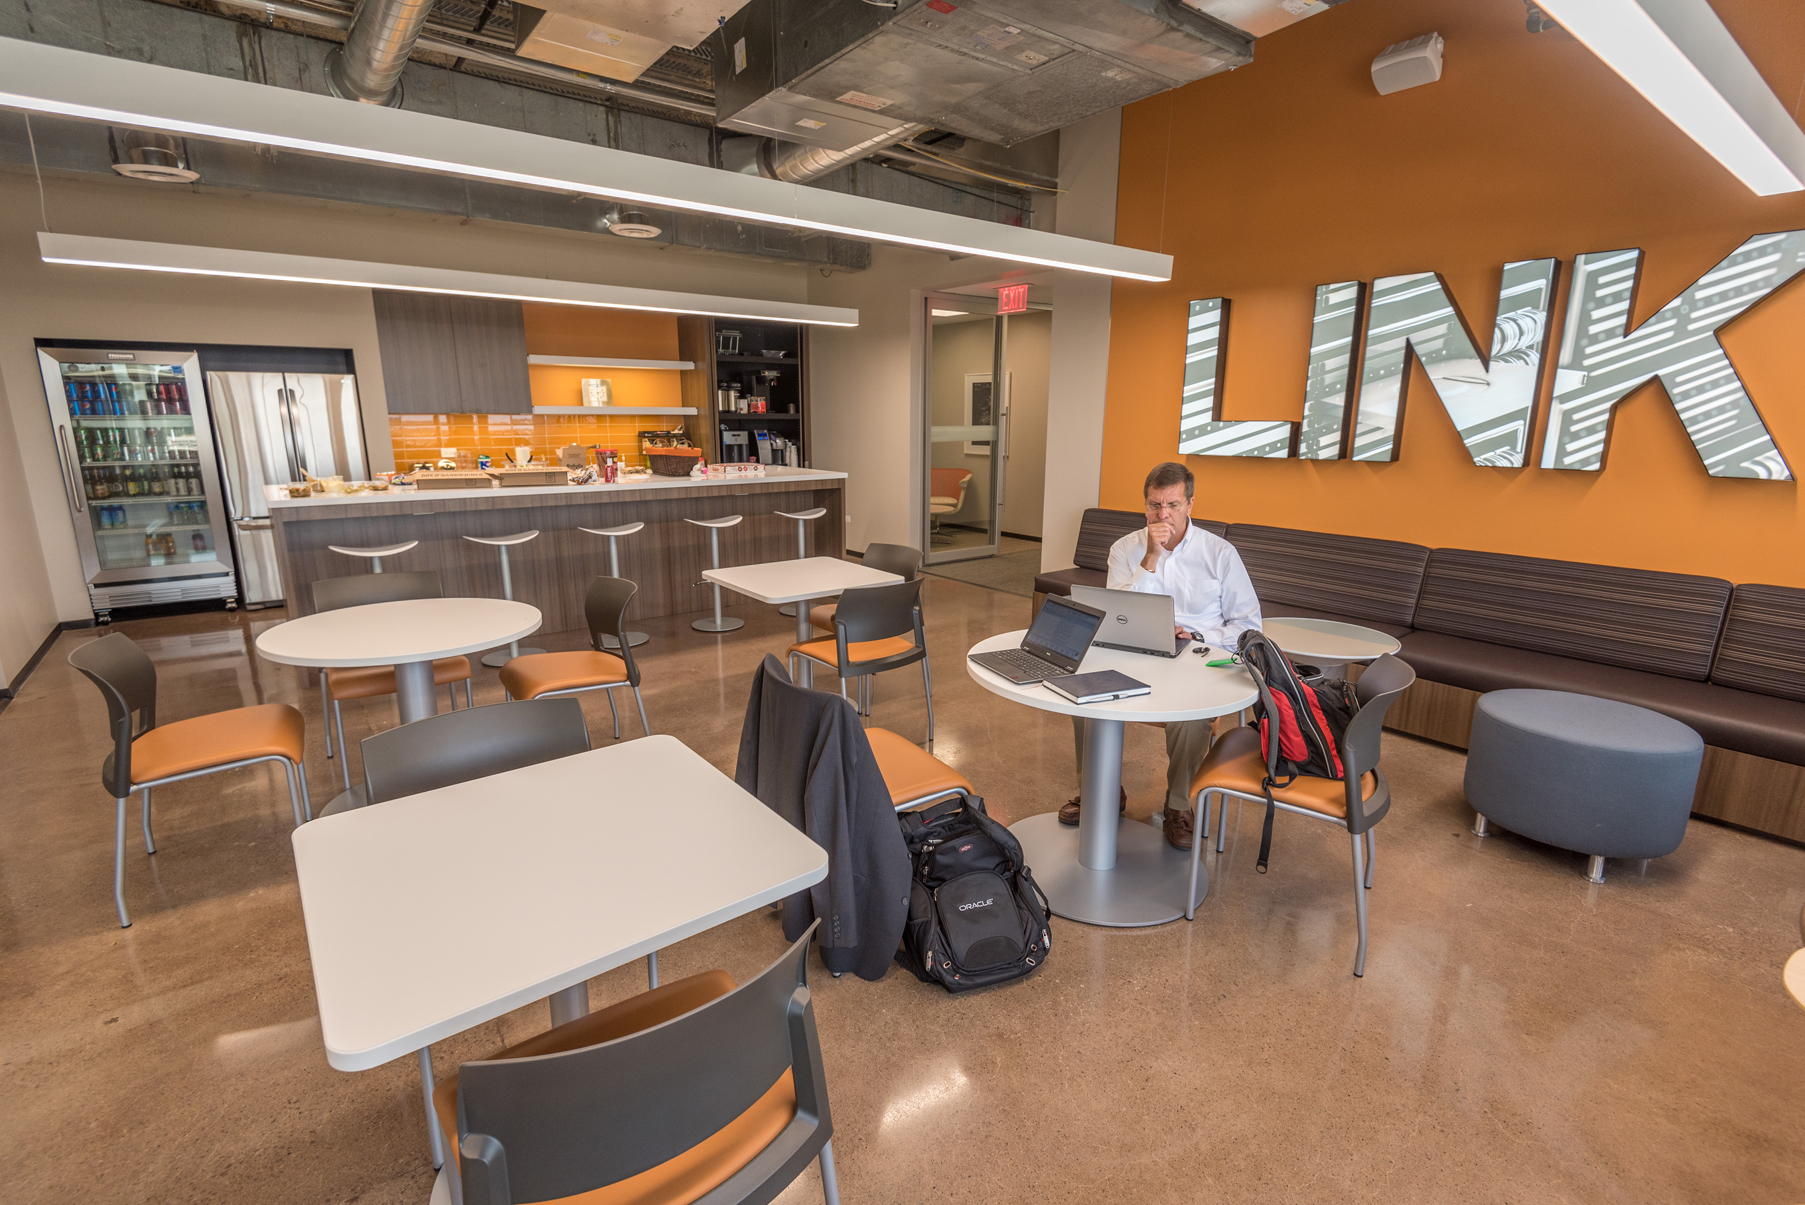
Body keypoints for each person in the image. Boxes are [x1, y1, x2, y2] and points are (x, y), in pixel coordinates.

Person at [1059, 461, 1263, 849]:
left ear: (1190, 504)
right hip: (1135, 650)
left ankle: (1178, 804)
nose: (1163, 515)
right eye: (1155, 505)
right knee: (1083, 697)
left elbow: (1249, 625)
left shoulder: (1220, 553)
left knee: (1194, 718)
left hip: (1198, 654)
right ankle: (1101, 791)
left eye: (1172, 505)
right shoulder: (1125, 548)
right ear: (1145, 505)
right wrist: (1151, 557)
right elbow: (1116, 613)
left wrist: (1197, 633)